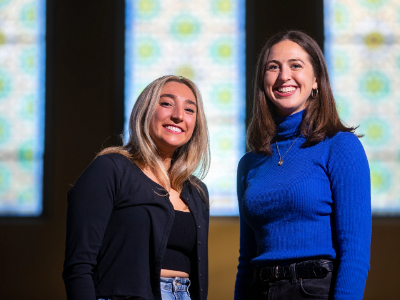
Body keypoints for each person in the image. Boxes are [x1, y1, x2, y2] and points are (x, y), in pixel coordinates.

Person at [234, 30, 371, 299]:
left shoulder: (340, 146)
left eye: (296, 65)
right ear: (263, 81)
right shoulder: (249, 163)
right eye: (273, 67)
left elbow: (355, 255)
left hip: (314, 289)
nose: (284, 76)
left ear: (316, 79)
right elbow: (245, 260)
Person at [62, 75, 210, 300]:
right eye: (166, 103)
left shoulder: (197, 192)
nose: (179, 115)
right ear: (146, 110)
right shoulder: (110, 169)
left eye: (190, 110)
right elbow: (79, 267)